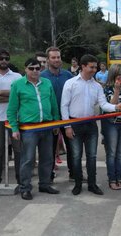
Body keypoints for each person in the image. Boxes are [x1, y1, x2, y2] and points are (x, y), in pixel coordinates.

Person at [61, 54, 121, 196]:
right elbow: (64, 106)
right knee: (76, 156)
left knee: (92, 156)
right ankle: (78, 184)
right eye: (92, 67)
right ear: (82, 66)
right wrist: (67, 126)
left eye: (95, 67)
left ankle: (92, 184)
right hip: (74, 123)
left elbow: (103, 104)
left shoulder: (97, 86)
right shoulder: (70, 83)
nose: (94, 70)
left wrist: (116, 108)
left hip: (91, 125)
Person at [7, 58, 60, 200]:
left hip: (47, 126)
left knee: (47, 158)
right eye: (32, 68)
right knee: (28, 159)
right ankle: (25, 187)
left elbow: (53, 104)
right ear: (25, 69)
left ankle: (44, 184)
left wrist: (56, 124)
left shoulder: (47, 83)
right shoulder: (17, 85)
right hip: (29, 128)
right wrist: (14, 128)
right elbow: (12, 109)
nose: (35, 71)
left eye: (37, 68)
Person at [40, 46, 74, 182]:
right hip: (50, 120)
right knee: (49, 150)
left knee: (72, 148)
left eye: (58, 57)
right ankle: (49, 176)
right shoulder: (42, 77)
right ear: (48, 60)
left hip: (67, 118)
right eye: (53, 57)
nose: (56, 60)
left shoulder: (68, 75)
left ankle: (74, 173)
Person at [0, 49, 21, 189]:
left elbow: (20, 95)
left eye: (6, 58)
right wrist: (11, 96)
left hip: (14, 119)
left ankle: (21, 179)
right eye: (1, 58)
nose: (4, 61)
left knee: (18, 149)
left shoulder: (16, 76)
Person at [101, 64, 121, 190]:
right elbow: (109, 107)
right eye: (119, 74)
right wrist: (116, 91)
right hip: (110, 123)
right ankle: (112, 179)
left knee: (119, 153)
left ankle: (119, 178)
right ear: (113, 75)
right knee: (111, 153)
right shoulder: (107, 88)